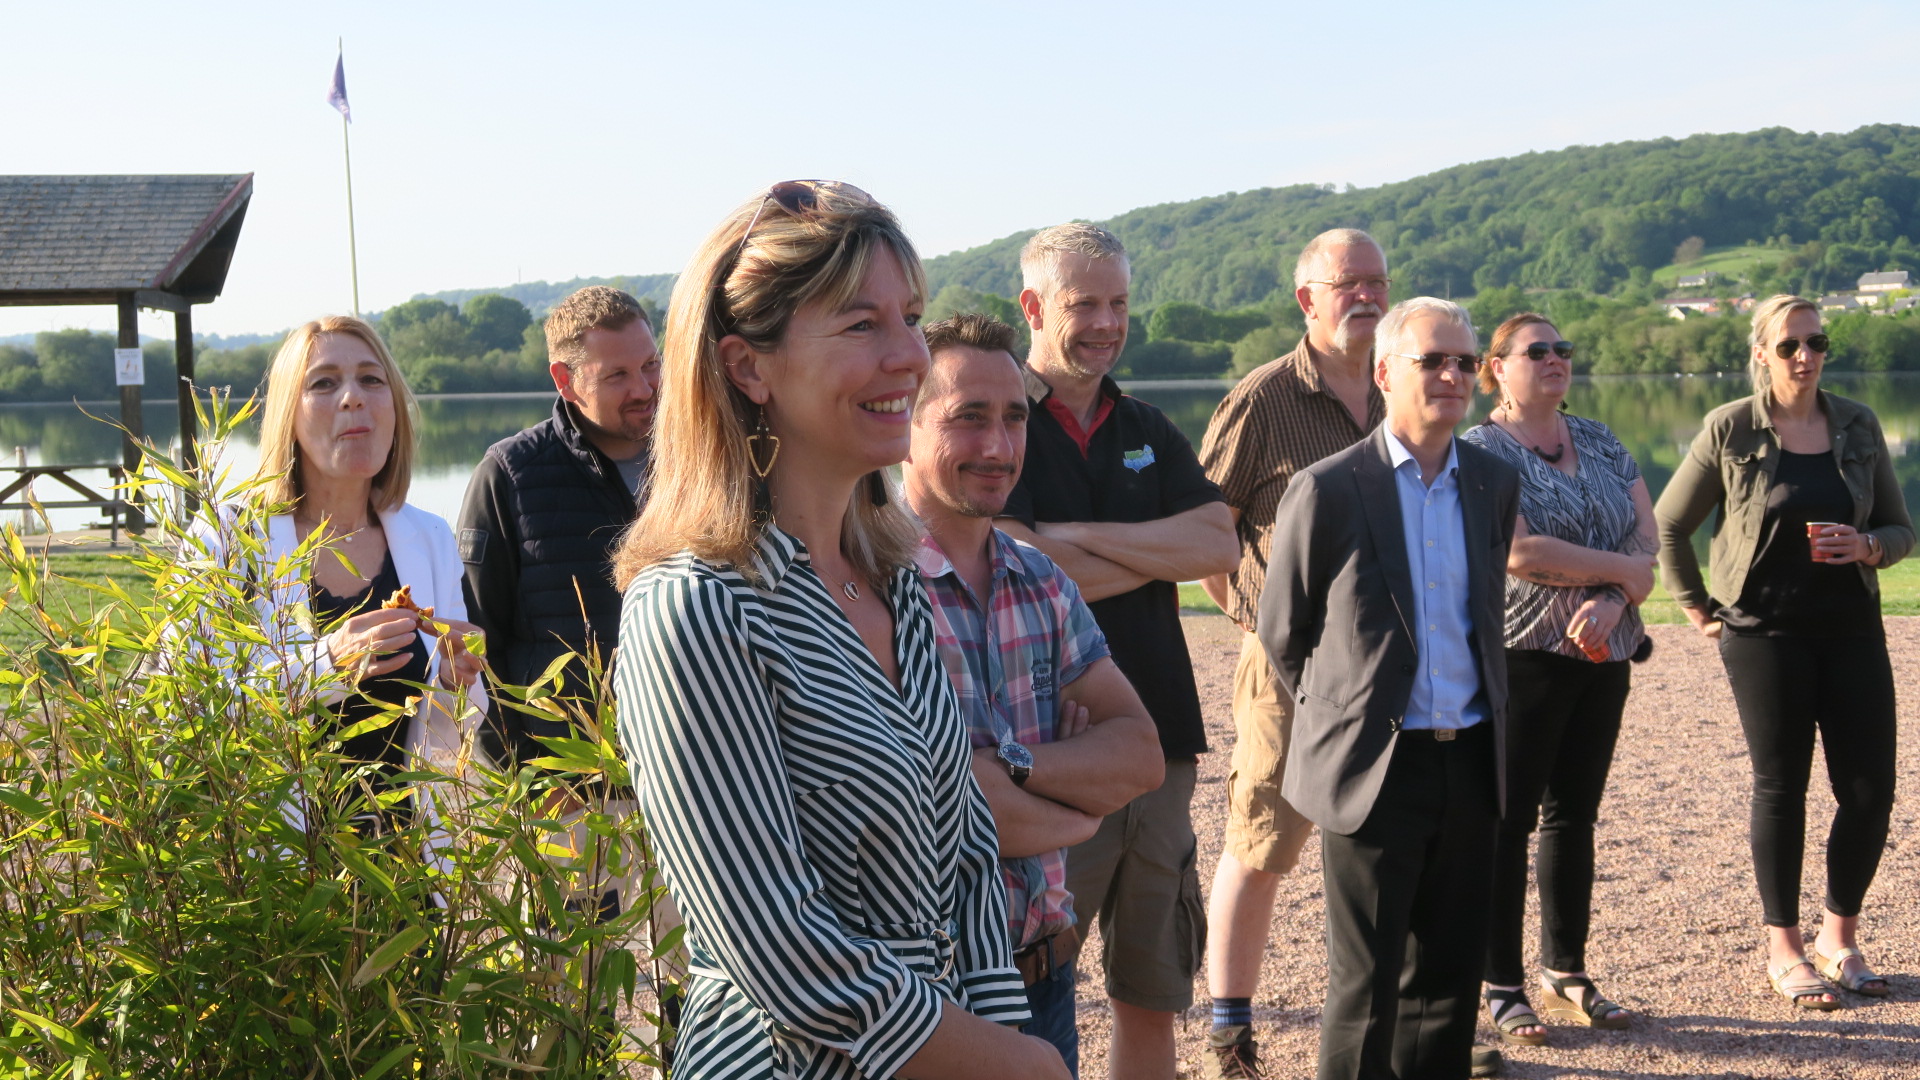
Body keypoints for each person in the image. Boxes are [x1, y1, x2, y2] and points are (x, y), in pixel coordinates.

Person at [611, 181, 1064, 1080]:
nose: (911, 356)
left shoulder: (893, 583)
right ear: (748, 368)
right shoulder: (696, 608)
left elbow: (969, 862)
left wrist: (1004, 1042)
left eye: (912, 319)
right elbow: (780, 948)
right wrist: (1015, 1065)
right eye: (862, 324)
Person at [996, 222, 1238, 1080]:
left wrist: (1073, 539)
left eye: (1120, 302)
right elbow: (1012, 563)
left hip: (1163, 747)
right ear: (1033, 307)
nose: (1107, 322)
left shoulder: (1145, 424)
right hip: (1052, 748)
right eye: (1084, 304)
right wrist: (1149, 551)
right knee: (1030, 993)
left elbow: (1218, 544)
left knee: (1152, 990)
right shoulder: (1000, 422)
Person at [1259, 298, 1519, 1080]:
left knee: (1449, 986)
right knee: (1366, 988)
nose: (1452, 376)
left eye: (1465, 362)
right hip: (1377, 766)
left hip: (1471, 758)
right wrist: (1351, 718)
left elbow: (1483, 618)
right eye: (1431, 360)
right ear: (1384, 372)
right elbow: (1284, 634)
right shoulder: (1329, 489)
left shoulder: (1493, 482)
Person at [905, 312, 1165, 1076]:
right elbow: (931, 811)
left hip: (1046, 972)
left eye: (1014, 418)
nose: (998, 446)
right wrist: (1076, 791)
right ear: (906, 425)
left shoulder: (1040, 577)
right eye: (968, 417)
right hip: (927, 998)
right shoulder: (865, 585)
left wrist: (1012, 764)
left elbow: (1140, 755)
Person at [1655, 294, 1911, 1010]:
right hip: (1763, 633)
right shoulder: (1731, 427)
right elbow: (1670, 525)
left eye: (1817, 342)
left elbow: (1901, 529)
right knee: (1782, 787)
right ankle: (1785, 949)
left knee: (1870, 788)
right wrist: (1698, 609)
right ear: (1761, 353)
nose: (1806, 356)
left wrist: (1867, 545)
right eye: (1791, 344)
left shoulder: (1858, 423)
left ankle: (1839, 938)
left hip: (1852, 627)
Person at [454, 284, 681, 1041]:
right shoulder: (510, 475)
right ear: (565, 379)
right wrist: (525, 778)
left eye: (650, 365)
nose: (644, 388)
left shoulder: (695, 461)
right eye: (618, 375)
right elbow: (477, 646)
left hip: (686, 780)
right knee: (574, 1004)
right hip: (568, 795)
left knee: (698, 994)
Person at [1194, 227, 1388, 1078]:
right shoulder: (1263, 398)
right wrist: (1257, 621)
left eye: (1377, 282)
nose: (1367, 297)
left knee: (1396, 840)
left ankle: (1412, 1023)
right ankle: (1229, 1035)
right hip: (1288, 668)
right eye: (1349, 284)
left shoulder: (1401, 384)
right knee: (1261, 839)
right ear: (1308, 299)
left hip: (1392, 665)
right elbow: (1208, 535)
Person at [1460, 313, 1655, 1045]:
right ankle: (1501, 984)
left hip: (1605, 651)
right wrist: (1623, 575)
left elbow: (1646, 534)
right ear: (1496, 368)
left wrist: (1612, 600)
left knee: (1575, 816)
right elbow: (1520, 553)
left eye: (1562, 349)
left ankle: (1566, 971)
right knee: (1508, 820)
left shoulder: (1599, 437)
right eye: (1536, 351)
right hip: (1525, 653)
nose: (1554, 359)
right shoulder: (1481, 451)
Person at [205, 315, 483, 817]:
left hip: (406, 850)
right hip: (275, 852)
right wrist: (326, 664)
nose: (353, 397)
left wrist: (453, 681)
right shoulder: (229, 539)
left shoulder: (430, 537)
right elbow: (196, 711)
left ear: (394, 408)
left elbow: (451, 737)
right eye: (324, 383)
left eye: (371, 380)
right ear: (288, 414)